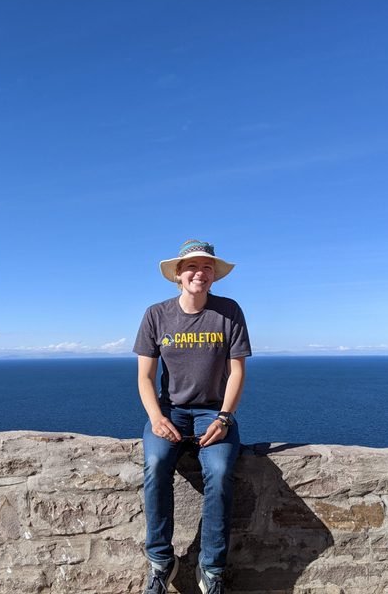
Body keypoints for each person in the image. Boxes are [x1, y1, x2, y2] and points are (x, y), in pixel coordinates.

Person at [134, 239, 252, 594]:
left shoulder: (228, 312)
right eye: (191, 267)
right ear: (178, 275)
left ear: (213, 276)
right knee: (155, 464)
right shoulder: (157, 315)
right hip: (169, 410)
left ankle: (211, 570)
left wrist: (224, 418)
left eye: (206, 268)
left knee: (218, 470)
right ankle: (160, 562)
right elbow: (144, 377)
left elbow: (237, 373)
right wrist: (156, 417)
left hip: (213, 412)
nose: (199, 273)